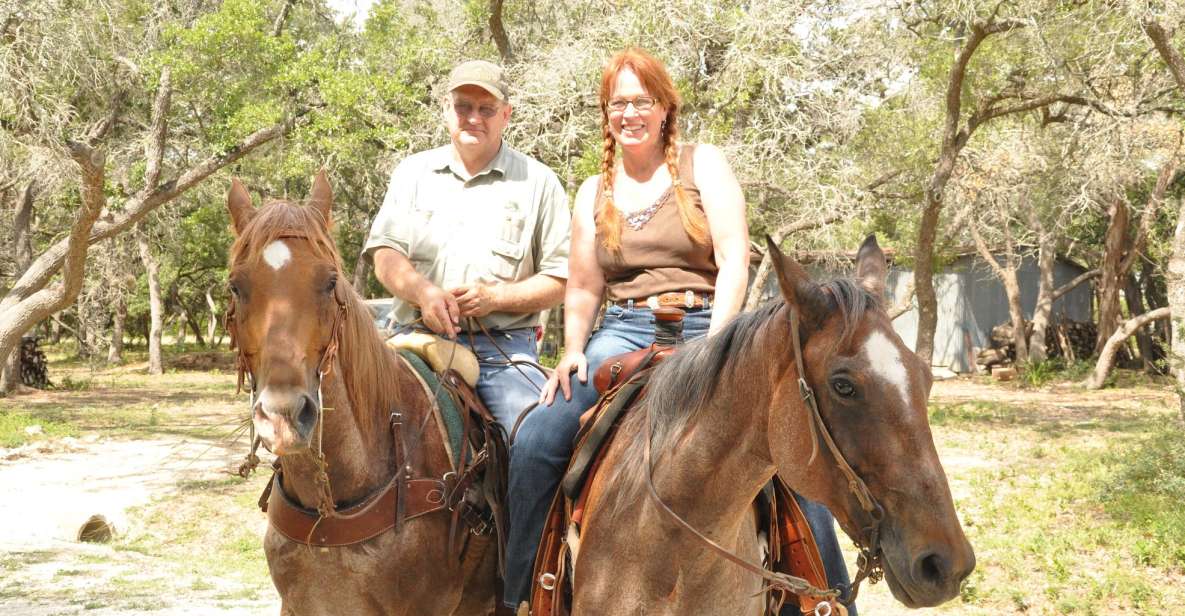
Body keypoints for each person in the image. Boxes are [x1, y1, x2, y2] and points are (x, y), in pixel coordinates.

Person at [501, 48, 857, 616]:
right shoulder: (594, 190)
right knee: (538, 438)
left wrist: (719, 345)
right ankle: (523, 594)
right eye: (618, 103)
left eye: (642, 101)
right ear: (606, 113)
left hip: (708, 324)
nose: (630, 113)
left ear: (665, 107)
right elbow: (584, 285)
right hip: (623, 331)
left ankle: (826, 600)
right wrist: (571, 351)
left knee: (789, 440)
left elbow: (734, 257)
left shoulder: (702, 164)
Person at [363, 59, 571, 430]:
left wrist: (495, 299)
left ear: (505, 115)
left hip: (503, 351)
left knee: (538, 434)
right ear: (446, 109)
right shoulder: (413, 172)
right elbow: (385, 254)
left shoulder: (539, 182)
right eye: (463, 106)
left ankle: (520, 490)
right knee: (346, 424)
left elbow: (561, 279)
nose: (473, 117)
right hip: (413, 339)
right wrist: (423, 293)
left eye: (486, 109)